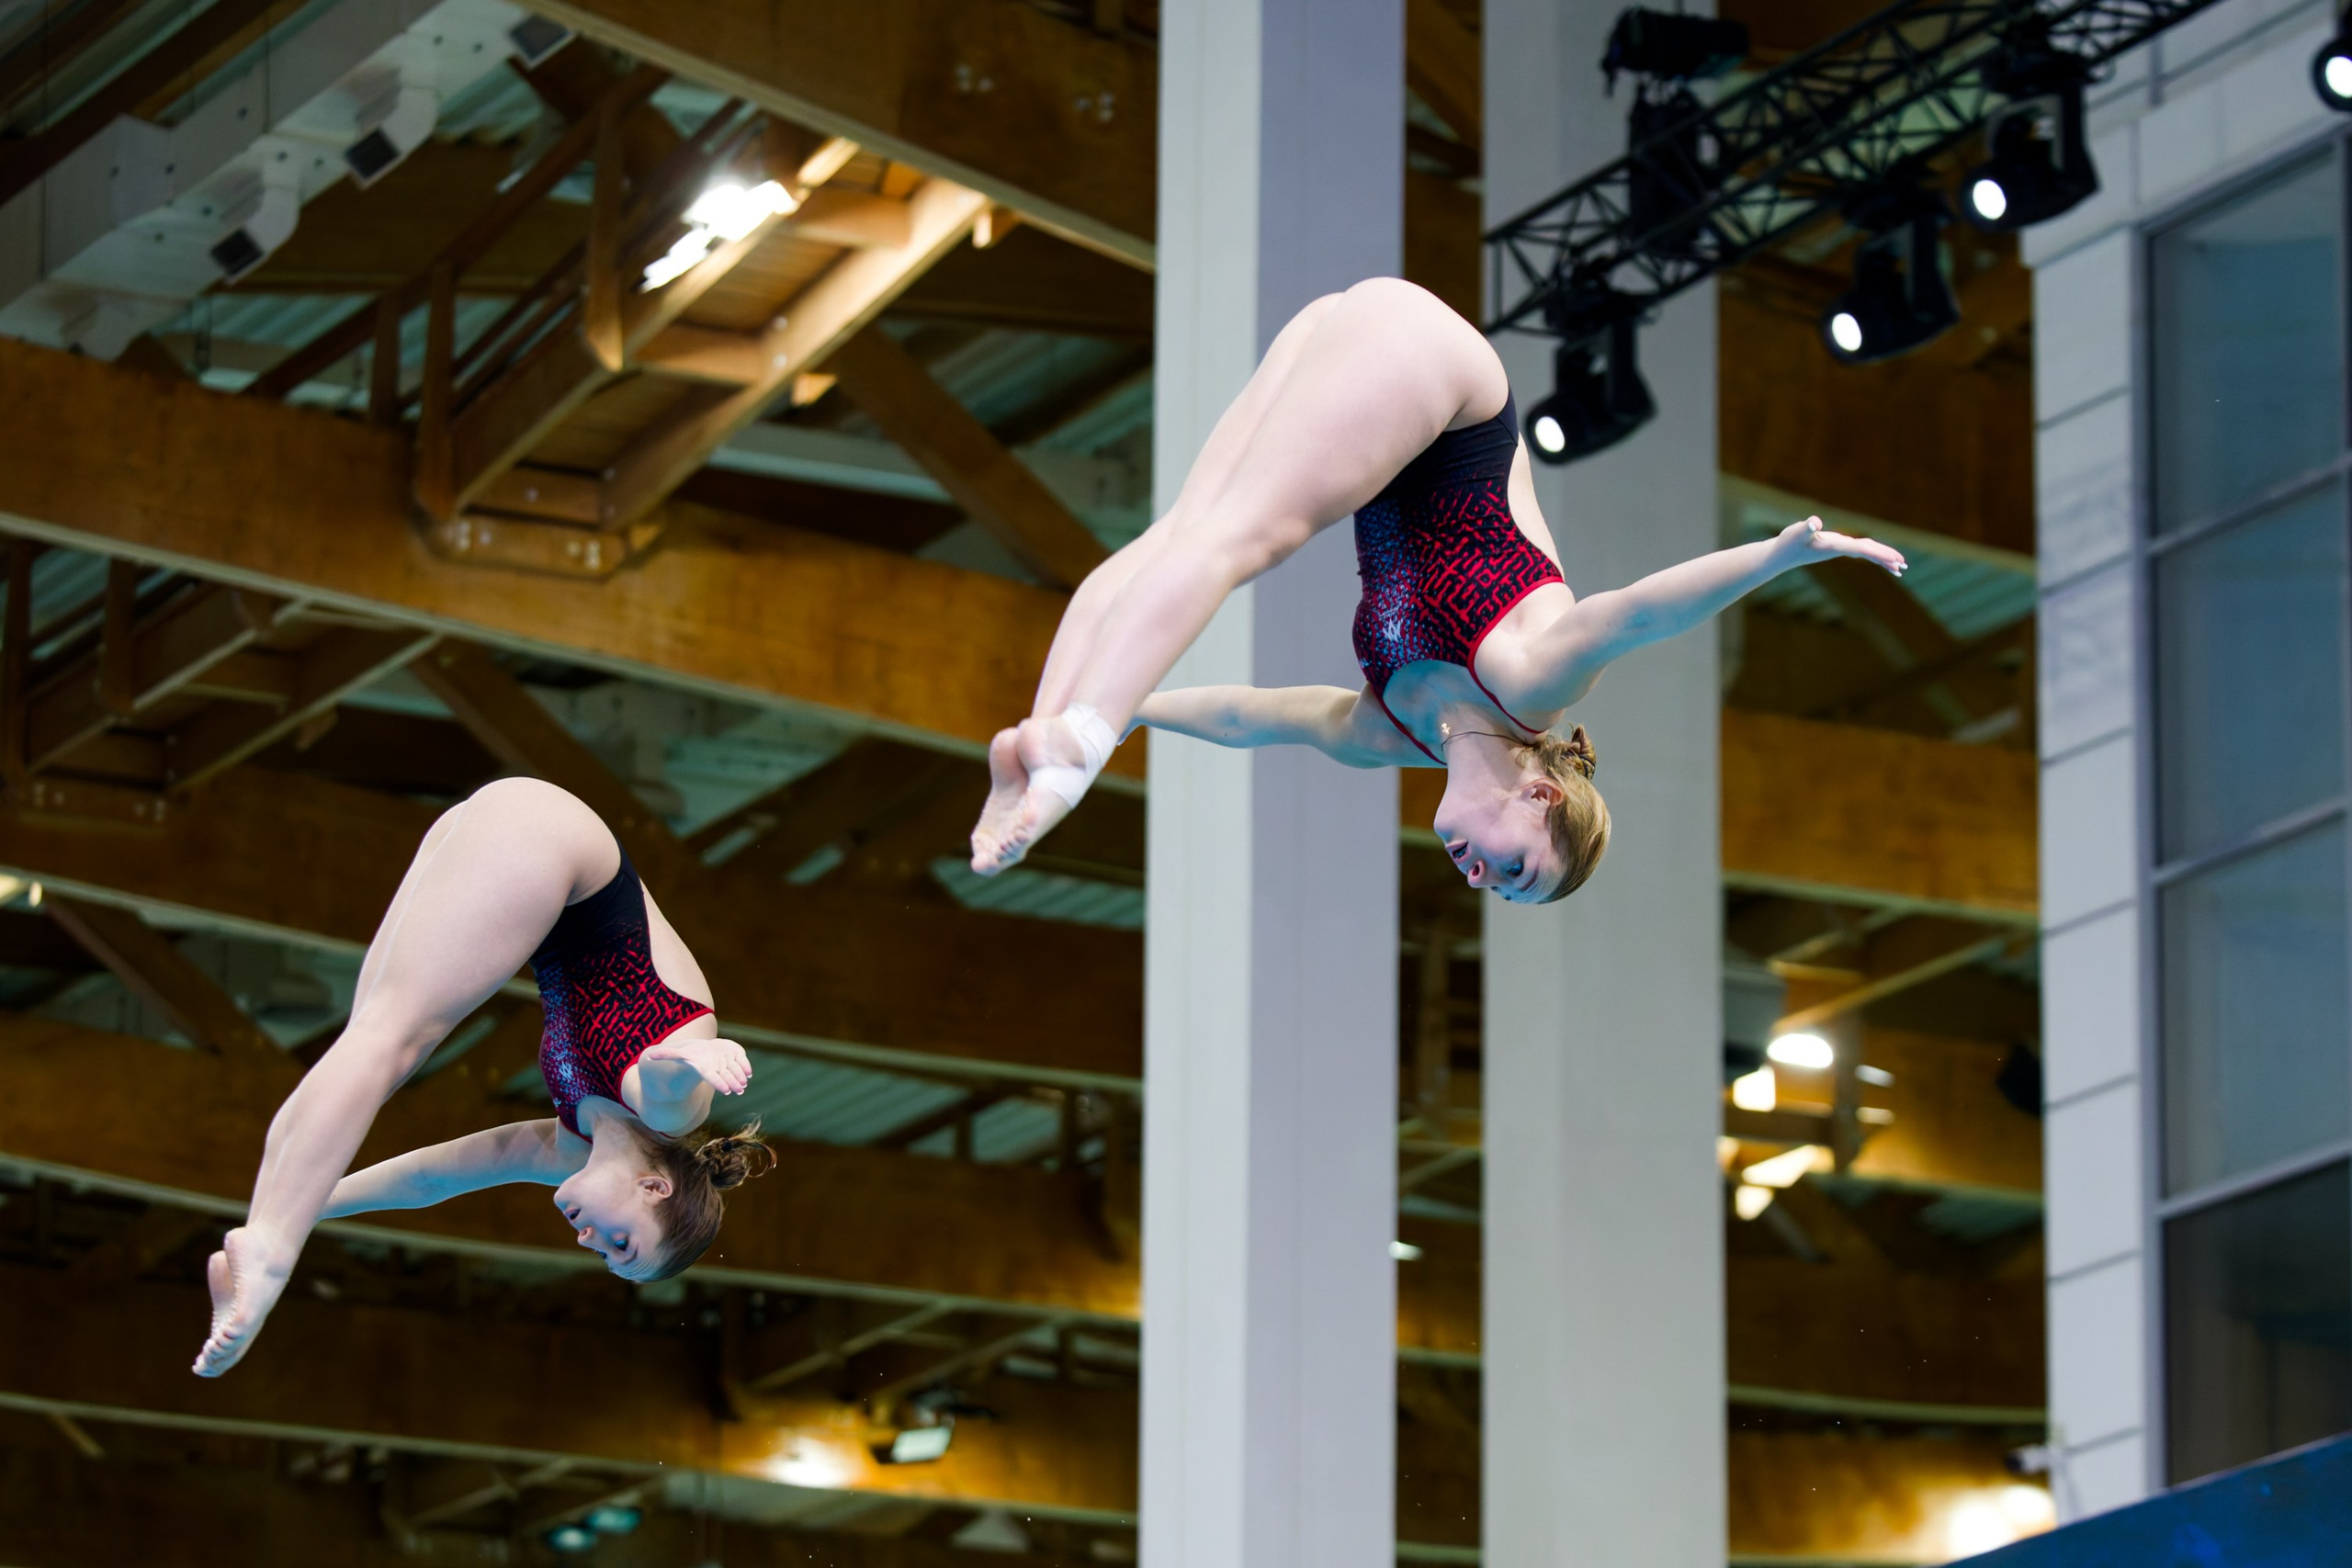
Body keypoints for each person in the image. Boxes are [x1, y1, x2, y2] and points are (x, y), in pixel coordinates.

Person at [969, 277, 1905, 900]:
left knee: (1174, 537)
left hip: (1352, 355)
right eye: (1514, 871)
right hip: (1438, 379)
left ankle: (1042, 739)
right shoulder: (1531, 685)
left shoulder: (1392, 734)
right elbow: (1643, 613)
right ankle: (1072, 752)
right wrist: (1780, 558)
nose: (1478, 879)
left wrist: (1137, 709)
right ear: (1540, 802)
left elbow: (1247, 715)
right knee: (1239, 539)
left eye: (1495, 889)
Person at [193, 777, 773, 1378]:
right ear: (656, 1189)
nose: (590, 1242)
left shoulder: (575, 1144)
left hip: (510, 843)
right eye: (620, 1242)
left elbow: (428, 1178)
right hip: (552, 843)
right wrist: (700, 1058)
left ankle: (264, 1233)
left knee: (369, 1040)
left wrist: (310, 1205)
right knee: (390, 1039)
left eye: (605, 1256)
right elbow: (663, 1074)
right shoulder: (669, 1115)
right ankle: (270, 1255)